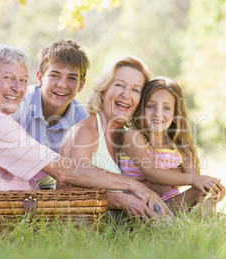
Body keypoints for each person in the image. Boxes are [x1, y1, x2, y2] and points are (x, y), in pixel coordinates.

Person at [0, 44, 169, 220]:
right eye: (7, 78)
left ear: (81, 84)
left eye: (22, 80)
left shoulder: (78, 116)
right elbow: (64, 171)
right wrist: (130, 186)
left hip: (9, 213)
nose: (17, 87)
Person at [0, 39, 90, 189]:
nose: (62, 84)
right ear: (40, 78)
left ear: (81, 84)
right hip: (10, 185)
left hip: (46, 187)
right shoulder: (15, 103)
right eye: (55, 75)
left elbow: (75, 171)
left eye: (71, 78)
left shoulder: (81, 120)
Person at [59, 56, 165, 220]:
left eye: (135, 89)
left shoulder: (131, 138)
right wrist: (119, 200)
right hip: (90, 233)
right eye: (119, 85)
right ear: (103, 91)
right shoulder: (85, 132)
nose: (126, 94)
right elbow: (64, 190)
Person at [119, 77, 226, 214]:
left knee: (205, 191)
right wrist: (193, 179)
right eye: (151, 106)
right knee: (203, 192)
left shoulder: (179, 148)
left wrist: (216, 190)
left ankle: (210, 226)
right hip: (144, 207)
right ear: (141, 110)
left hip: (171, 205)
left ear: (175, 114)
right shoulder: (134, 136)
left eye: (166, 108)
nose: (158, 114)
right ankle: (208, 225)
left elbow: (199, 182)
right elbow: (150, 173)